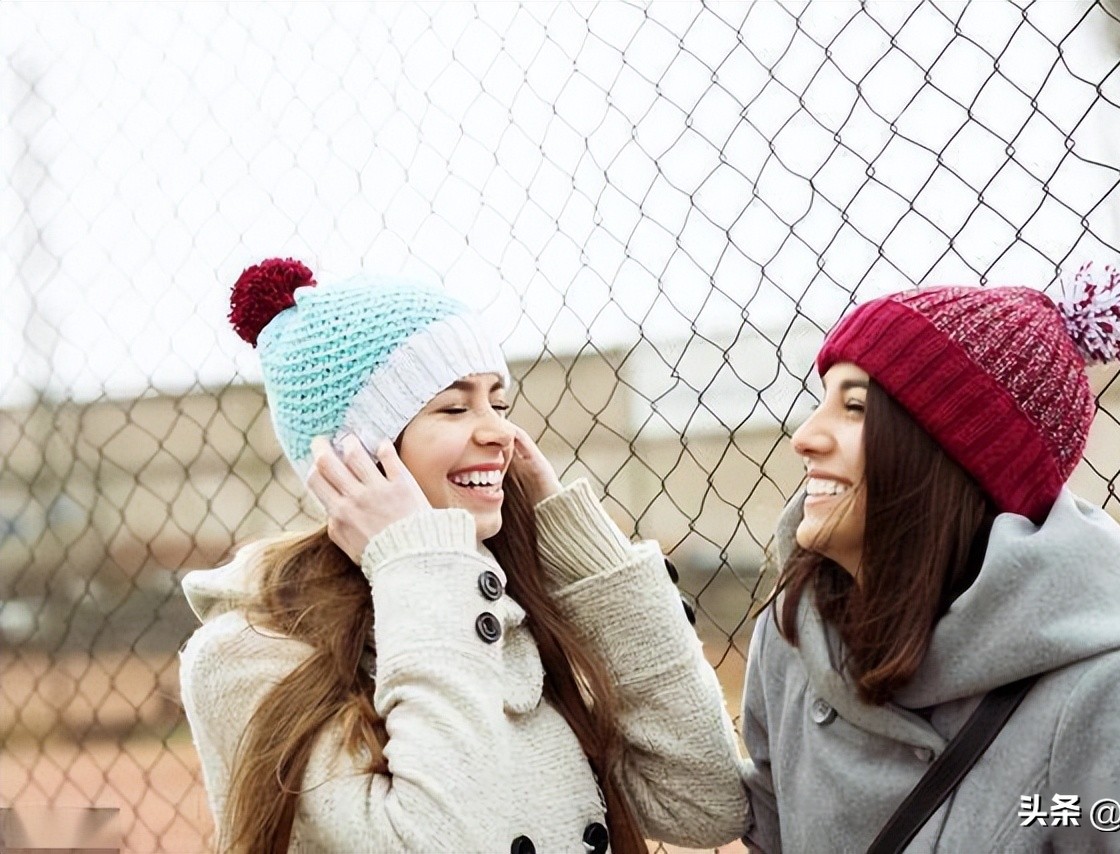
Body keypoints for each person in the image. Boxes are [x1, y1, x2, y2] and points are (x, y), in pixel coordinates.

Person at [178, 258, 747, 854]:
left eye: (498, 404)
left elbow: (704, 805)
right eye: (454, 408)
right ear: (353, 457)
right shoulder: (249, 653)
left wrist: (589, 561)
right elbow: (432, 839)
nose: (499, 432)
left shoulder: (514, 612)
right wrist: (419, 567)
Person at [740, 264, 1120, 852]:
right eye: (822, 401)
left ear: (951, 459)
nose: (804, 436)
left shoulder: (1100, 693)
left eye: (855, 408)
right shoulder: (793, 632)